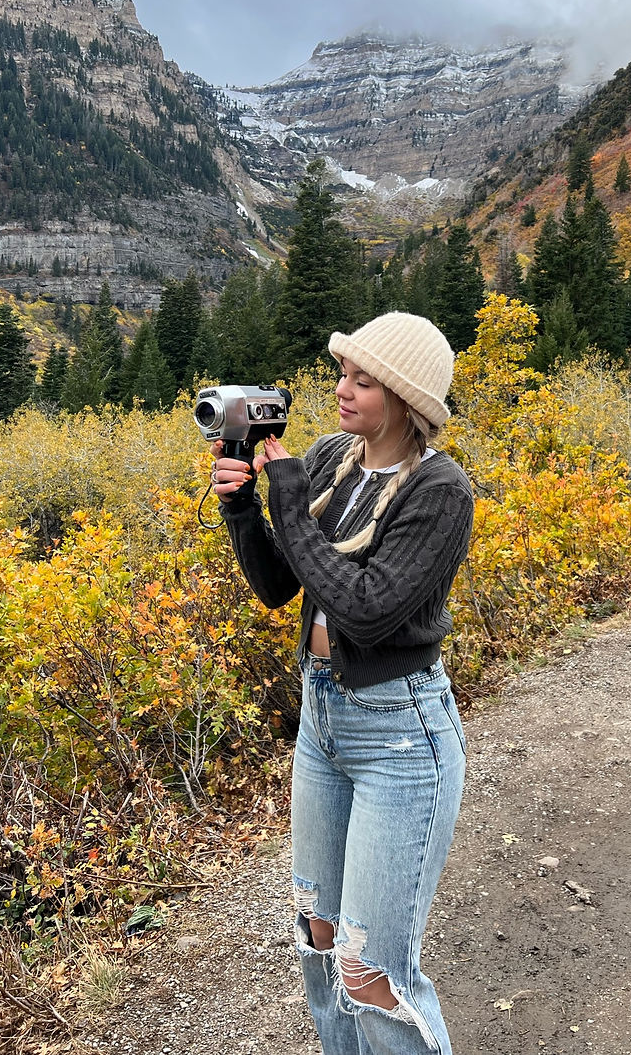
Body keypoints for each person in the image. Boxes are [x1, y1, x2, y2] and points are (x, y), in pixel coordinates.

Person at [211, 311, 474, 1055]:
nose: (342, 390)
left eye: (363, 380)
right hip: (322, 722)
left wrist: (288, 502)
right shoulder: (332, 459)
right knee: (319, 939)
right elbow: (278, 586)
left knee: (371, 969)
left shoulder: (441, 490)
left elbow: (365, 610)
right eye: (342, 374)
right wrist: (242, 506)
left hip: (400, 736)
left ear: (404, 397)